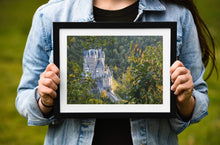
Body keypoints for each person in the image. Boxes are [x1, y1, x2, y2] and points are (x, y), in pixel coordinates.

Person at [16, 0, 217, 145]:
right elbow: (25, 96)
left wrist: (184, 100)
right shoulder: (50, 15)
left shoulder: (178, 14)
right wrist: (45, 101)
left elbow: (199, 100)